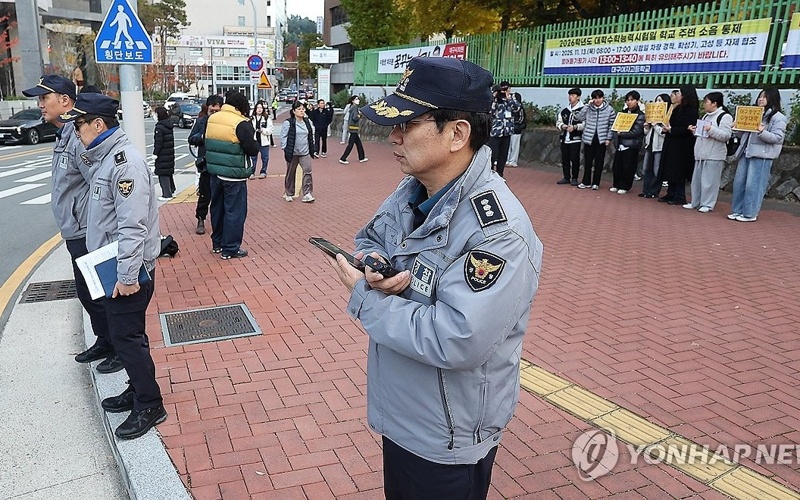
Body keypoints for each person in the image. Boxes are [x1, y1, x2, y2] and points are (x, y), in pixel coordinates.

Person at [324, 57, 542, 500]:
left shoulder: (497, 233)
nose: (394, 136)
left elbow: (457, 338)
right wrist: (372, 262)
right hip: (404, 414)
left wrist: (367, 300)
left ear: (457, 134)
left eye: (408, 123)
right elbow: (371, 236)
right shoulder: (414, 189)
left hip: (448, 433)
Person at [59, 93, 165, 440]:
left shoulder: (124, 164)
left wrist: (127, 276)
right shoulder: (105, 159)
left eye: (79, 125)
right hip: (110, 267)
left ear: (98, 125)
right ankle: (138, 390)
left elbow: (132, 226)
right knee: (125, 337)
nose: (76, 132)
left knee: (127, 339)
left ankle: (149, 404)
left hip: (125, 272)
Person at [21, 75, 121, 374]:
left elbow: (102, 182)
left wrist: (95, 224)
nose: (40, 104)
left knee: (101, 293)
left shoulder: (79, 138)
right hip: (75, 230)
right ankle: (104, 340)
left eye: (44, 98)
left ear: (65, 101)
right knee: (87, 292)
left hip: (87, 232)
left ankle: (117, 347)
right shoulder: (65, 135)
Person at [205, 91, 259, 259]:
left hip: (215, 172)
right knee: (235, 211)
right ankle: (231, 248)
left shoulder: (213, 118)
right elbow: (252, 149)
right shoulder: (241, 123)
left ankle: (218, 244)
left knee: (217, 209)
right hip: (234, 175)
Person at [729, 88, 788, 222]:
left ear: (771, 99)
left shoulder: (778, 117)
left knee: (754, 185)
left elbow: (778, 137)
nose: (760, 99)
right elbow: (744, 134)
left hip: (762, 155)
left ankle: (750, 213)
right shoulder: (755, 113)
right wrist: (736, 127)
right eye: (760, 97)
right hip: (746, 152)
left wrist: (762, 132)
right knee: (739, 183)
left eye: (764, 97)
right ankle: (737, 210)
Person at [683, 92, 733, 213]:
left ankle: (708, 204)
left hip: (714, 154)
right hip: (701, 153)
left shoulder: (725, 117)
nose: (704, 104)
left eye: (706, 102)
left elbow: (726, 135)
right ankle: (695, 201)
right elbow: (701, 134)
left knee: (710, 181)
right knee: (697, 180)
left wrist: (711, 129)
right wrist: (694, 131)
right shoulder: (706, 116)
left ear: (715, 103)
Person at [188, 95, 223, 235]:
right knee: (204, 194)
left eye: (217, 111)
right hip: (206, 164)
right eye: (211, 111)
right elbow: (191, 138)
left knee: (220, 195)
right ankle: (201, 218)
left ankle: (220, 221)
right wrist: (201, 137)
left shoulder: (225, 123)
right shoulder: (201, 122)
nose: (214, 114)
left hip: (221, 164)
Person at [659, 85, 699, 205]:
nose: (678, 96)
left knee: (679, 170)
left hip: (683, 145)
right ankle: (670, 193)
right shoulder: (677, 109)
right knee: (670, 168)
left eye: (680, 93)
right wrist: (667, 129)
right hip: (671, 142)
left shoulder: (692, 111)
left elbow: (688, 128)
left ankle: (679, 195)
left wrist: (672, 130)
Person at [577, 89, 616, 190]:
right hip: (589, 138)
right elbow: (579, 117)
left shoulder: (609, 109)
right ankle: (586, 181)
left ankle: (596, 183)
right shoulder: (588, 108)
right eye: (595, 98)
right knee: (587, 162)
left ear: (603, 98)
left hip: (602, 139)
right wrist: (586, 106)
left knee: (599, 162)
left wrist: (608, 138)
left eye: (600, 98)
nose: (597, 100)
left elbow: (612, 125)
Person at [610, 90, 645, 194]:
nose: (629, 102)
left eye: (632, 100)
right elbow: (615, 127)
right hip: (620, 144)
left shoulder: (640, 115)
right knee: (617, 166)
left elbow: (637, 131)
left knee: (628, 167)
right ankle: (616, 184)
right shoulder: (623, 113)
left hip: (632, 145)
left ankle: (625, 186)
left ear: (637, 101)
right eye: (628, 100)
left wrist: (622, 133)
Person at [281, 100, 317, 202]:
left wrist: (312, 147)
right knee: (291, 172)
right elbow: (283, 136)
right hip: (292, 152)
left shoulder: (307, 122)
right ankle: (289, 192)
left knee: (308, 171)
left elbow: (311, 133)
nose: (301, 111)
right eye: (299, 109)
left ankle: (307, 193)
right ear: (294, 111)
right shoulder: (289, 123)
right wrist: (285, 148)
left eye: (303, 109)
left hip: (305, 152)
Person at [639, 93, 671, 199]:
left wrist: (655, 125)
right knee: (646, 169)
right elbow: (645, 132)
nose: (658, 102)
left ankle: (654, 191)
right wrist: (647, 127)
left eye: (661, 100)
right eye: (657, 100)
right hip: (649, 145)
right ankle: (646, 190)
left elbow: (664, 133)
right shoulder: (651, 114)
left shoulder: (667, 117)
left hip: (659, 147)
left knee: (657, 170)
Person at [488, 81, 521, 177]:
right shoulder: (494, 99)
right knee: (493, 155)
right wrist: (495, 97)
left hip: (507, 131)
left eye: (507, 89)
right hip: (496, 131)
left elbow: (517, 108)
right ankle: (489, 174)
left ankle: (500, 174)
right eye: (503, 89)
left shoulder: (511, 99)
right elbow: (490, 110)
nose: (504, 91)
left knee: (503, 155)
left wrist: (508, 98)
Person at [556, 87, 584, 185]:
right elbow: (558, 122)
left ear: (578, 97)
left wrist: (575, 127)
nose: (570, 97)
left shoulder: (583, 110)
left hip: (576, 139)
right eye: (570, 95)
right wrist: (562, 126)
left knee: (575, 158)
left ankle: (575, 178)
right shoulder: (565, 111)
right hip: (564, 138)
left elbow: (586, 124)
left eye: (573, 95)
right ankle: (566, 177)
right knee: (565, 158)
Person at [153, 106, 176, 200]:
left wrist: (155, 154)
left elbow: (158, 142)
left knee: (162, 173)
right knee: (168, 172)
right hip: (169, 153)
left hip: (163, 154)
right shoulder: (168, 125)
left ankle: (167, 194)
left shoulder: (159, 127)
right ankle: (172, 190)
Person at [339, 95, 368, 164]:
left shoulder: (352, 107)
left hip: (352, 127)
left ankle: (362, 157)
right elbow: (355, 118)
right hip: (354, 128)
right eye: (356, 99)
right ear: (353, 101)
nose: (358, 100)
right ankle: (343, 158)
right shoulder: (355, 108)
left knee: (358, 144)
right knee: (351, 144)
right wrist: (360, 115)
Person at [249, 100, 272, 179]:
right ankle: (252, 172)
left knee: (265, 157)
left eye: (261, 108)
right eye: (258, 108)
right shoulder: (252, 118)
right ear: (255, 109)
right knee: (253, 158)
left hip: (264, 141)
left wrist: (263, 130)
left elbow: (270, 130)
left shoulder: (266, 118)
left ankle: (263, 172)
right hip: (254, 141)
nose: (259, 109)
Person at [506, 91, 526, 168]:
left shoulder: (520, 107)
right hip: (510, 128)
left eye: (514, 97)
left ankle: (513, 161)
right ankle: (507, 160)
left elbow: (521, 119)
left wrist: (515, 124)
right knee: (509, 145)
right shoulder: (510, 107)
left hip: (516, 129)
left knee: (515, 146)